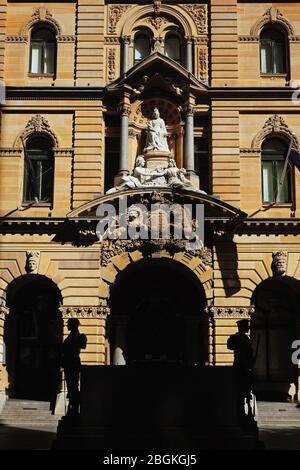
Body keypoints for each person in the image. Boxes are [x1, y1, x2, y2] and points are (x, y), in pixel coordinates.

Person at [227, 319, 254, 423]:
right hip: (240, 367)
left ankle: (246, 412)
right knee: (240, 392)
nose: (248, 328)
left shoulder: (247, 338)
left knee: (247, 391)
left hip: (247, 367)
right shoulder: (235, 338)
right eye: (247, 326)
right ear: (241, 327)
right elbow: (230, 346)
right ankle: (240, 412)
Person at [61, 318, 87, 418]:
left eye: (69, 324)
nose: (67, 325)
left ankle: (73, 409)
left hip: (72, 363)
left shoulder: (77, 336)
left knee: (73, 387)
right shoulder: (73, 335)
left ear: (73, 325)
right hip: (70, 363)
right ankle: (72, 409)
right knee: (71, 387)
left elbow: (71, 350)